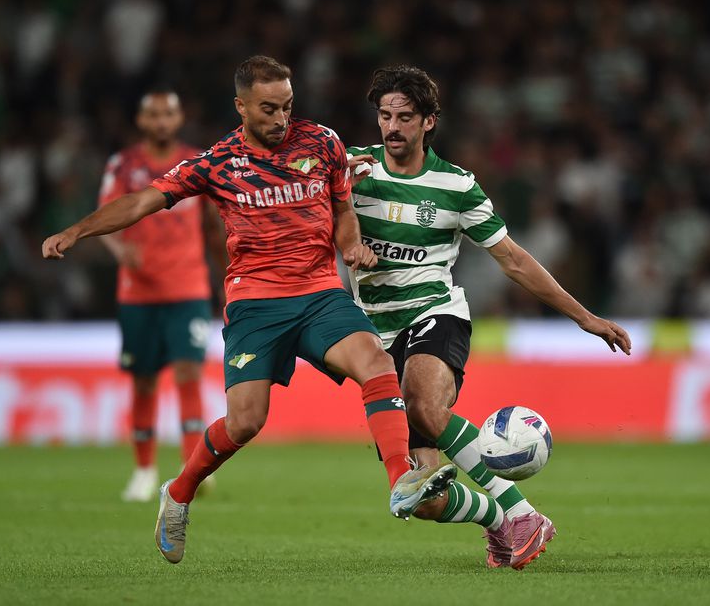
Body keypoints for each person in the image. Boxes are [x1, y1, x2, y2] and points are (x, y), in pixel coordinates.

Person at [42, 56, 457, 565]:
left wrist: (349, 246)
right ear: (240, 107)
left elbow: (343, 208)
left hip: (319, 294)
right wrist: (78, 231)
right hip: (256, 304)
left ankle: (400, 479)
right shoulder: (218, 161)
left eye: (287, 106)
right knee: (245, 422)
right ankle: (178, 492)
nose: (281, 118)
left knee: (376, 362)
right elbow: (142, 202)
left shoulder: (323, 143)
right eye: (267, 109)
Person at [347, 65, 632, 570]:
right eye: (384, 116)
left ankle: (521, 514)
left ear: (429, 122)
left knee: (425, 406)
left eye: (405, 117)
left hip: (436, 314)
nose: (392, 127)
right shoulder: (351, 171)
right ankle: (500, 524)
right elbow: (303, 204)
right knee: (425, 496)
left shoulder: (457, 186)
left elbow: (514, 259)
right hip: (376, 333)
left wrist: (584, 317)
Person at [97, 88, 226, 502]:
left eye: (168, 113)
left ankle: (195, 469)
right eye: (153, 114)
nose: (161, 121)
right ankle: (143, 469)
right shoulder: (123, 165)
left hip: (187, 288)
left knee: (188, 376)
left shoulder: (197, 164)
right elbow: (107, 218)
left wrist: (225, 278)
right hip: (137, 293)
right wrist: (120, 250)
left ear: (179, 117)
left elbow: (213, 227)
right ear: (142, 120)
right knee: (144, 381)